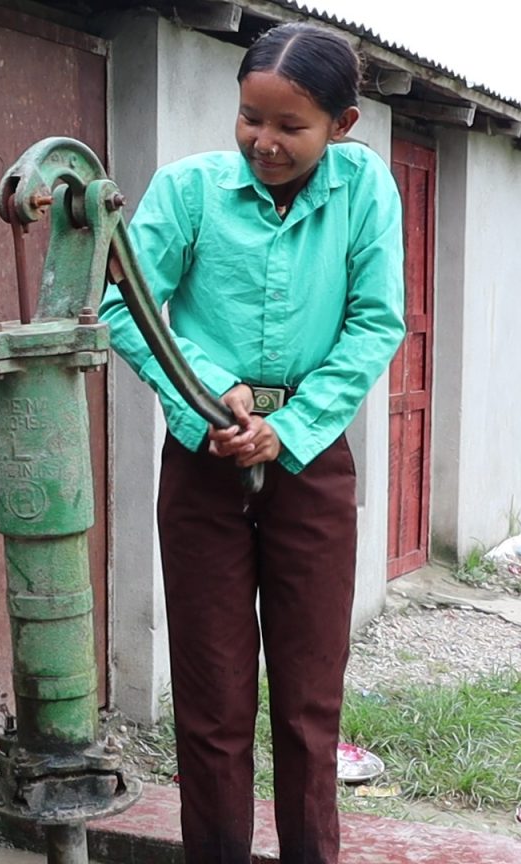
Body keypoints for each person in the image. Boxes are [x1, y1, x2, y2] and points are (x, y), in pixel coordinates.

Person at [99, 22, 405, 864]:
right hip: (204, 464)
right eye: (249, 119)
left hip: (311, 465)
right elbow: (124, 305)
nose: (263, 142)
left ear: (342, 125)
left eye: (289, 126)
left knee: (309, 704)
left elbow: (376, 322)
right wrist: (207, 398)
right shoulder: (187, 191)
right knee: (213, 701)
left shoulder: (365, 190)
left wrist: (291, 429)